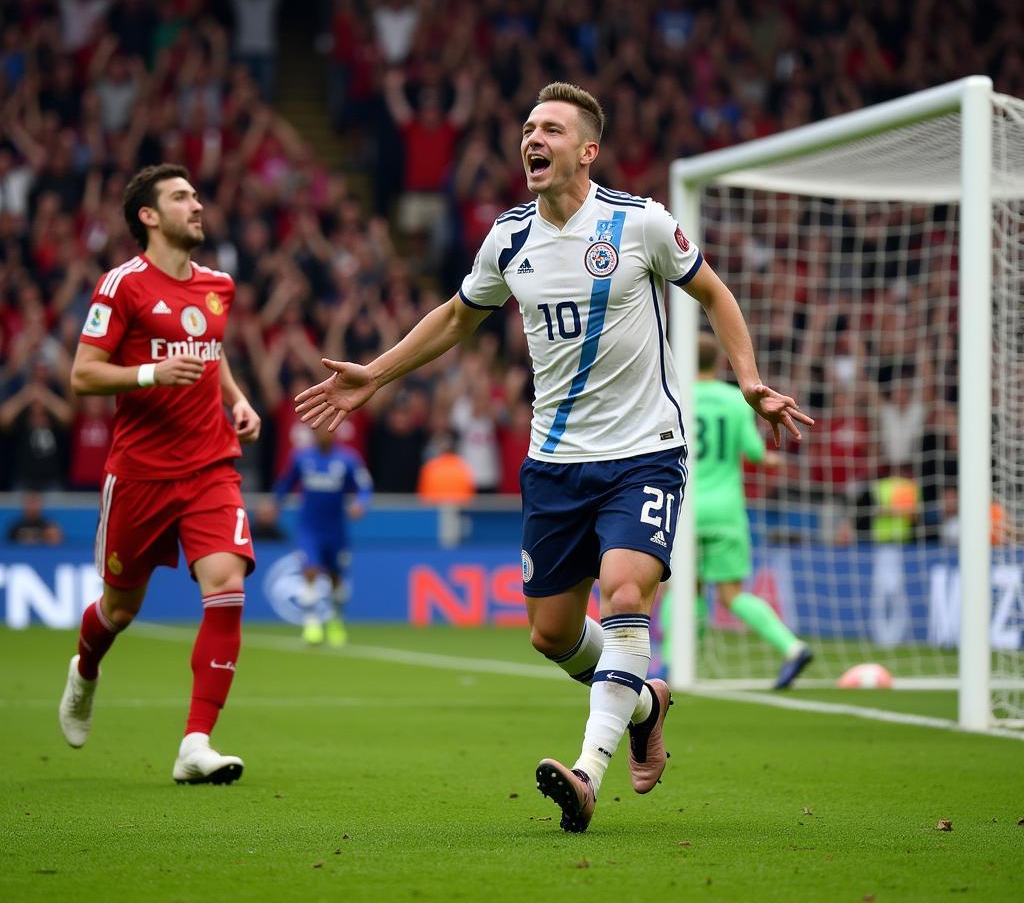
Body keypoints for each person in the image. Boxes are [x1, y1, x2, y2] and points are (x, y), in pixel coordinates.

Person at [295, 83, 811, 832]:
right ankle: (644, 702)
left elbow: (715, 294)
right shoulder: (508, 238)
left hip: (644, 454)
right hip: (556, 464)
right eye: (528, 127)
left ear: (587, 151)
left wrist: (749, 378)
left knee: (626, 594)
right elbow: (454, 319)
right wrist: (376, 372)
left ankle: (589, 772)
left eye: (551, 130)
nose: (532, 139)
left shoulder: (640, 224)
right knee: (551, 634)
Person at [58, 163, 261, 786]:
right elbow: (83, 374)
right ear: (148, 216)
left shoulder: (218, 286)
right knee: (119, 610)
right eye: (180, 198)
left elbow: (211, 350)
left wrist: (236, 399)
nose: (196, 205)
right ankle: (85, 669)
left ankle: (195, 742)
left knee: (227, 585)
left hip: (210, 466)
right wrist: (148, 374)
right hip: (141, 475)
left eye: (196, 195)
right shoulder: (122, 286)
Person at [659, 334, 813, 690]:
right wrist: (776, 459)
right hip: (726, 511)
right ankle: (791, 647)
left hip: (684, 510)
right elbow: (756, 453)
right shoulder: (734, 400)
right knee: (731, 594)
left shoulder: (675, 399)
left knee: (681, 590)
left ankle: (671, 662)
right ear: (719, 363)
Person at [268, 423, 373, 646]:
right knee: (310, 571)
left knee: (336, 579)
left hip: (336, 530)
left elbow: (364, 486)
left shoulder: (348, 459)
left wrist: (361, 504)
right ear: (313, 432)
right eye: (320, 429)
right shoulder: (301, 457)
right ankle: (312, 624)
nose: (324, 432)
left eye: (328, 429)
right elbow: (285, 484)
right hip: (309, 528)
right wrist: (274, 504)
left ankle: (335, 619)